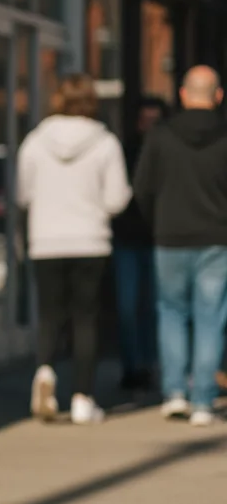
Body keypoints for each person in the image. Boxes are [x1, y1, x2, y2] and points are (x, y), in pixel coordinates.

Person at [17, 73, 132, 425]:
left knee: (50, 315)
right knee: (85, 318)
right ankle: (84, 398)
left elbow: (23, 194)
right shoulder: (106, 143)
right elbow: (116, 199)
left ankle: (46, 371)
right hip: (90, 241)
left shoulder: (35, 142)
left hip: (46, 241)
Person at [133, 65, 227, 427]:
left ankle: (174, 392)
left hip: (170, 237)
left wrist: (157, 221)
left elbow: (142, 188)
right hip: (217, 239)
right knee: (210, 317)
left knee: (171, 312)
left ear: (184, 95)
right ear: (218, 96)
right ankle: (203, 398)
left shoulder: (160, 136)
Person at [111, 97, 165, 391]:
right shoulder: (124, 151)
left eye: (155, 121)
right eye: (146, 121)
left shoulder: (169, 152)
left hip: (160, 239)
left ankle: (150, 364)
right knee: (128, 306)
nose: (150, 128)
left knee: (156, 308)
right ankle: (132, 367)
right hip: (128, 238)